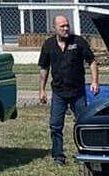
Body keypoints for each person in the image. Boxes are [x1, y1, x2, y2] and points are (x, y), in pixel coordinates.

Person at [38, 13, 98, 165]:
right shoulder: (48, 45)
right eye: (62, 26)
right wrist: (42, 90)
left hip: (77, 92)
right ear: (54, 28)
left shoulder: (78, 42)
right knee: (55, 125)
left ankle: (84, 153)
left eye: (67, 25)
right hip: (58, 92)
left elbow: (92, 61)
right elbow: (44, 67)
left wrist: (94, 81)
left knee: (82, 123)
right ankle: (58, 155)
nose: (66, 28)